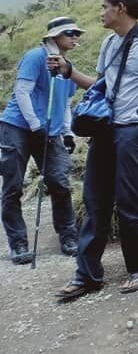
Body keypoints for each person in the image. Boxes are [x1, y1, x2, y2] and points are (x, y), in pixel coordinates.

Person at [53, 0, 138, 300]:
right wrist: (69, 71)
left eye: (105, 6)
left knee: (132, 200)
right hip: (106, 131)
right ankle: (87, 275)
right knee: (95, 202)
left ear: (121, 8)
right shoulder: (109, 43)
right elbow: (101, 86)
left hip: (133, 131)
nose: (101, 12)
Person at [1, 17, 82, 264]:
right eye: (70, 32)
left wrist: (68, 132)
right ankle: (18, 244)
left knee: (60, 182)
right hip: (17, 126)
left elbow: (66, 103)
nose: (75, 37)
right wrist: (35, 125)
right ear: (55, 36)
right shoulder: (36, 57)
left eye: (77, 33)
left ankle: (68, 236)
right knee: (13, 185)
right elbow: (22, 92)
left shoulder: (68, 67)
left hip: (51, 131)